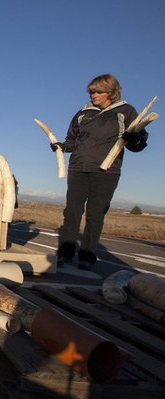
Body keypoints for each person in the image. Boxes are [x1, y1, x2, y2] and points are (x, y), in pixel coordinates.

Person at [51, 73, 148, 269]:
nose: (93, 96)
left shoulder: (126, 112)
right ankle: (66, 253)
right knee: (72, 211)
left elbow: (139, 143)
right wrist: (62, 147)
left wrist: (134, 139)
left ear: (111, 93)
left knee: (95, 214)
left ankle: (87, 256)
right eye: (91, 92)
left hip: (107, 172)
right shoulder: (83, 112)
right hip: (78, 168)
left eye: (98, 92)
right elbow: (71, 140)